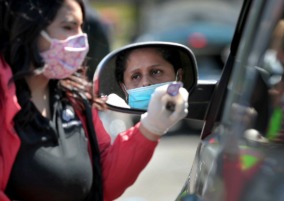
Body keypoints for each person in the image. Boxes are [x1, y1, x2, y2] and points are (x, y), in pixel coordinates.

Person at [0, 1, 189, 201]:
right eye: (68, 27)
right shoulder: (5, 103)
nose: (81, 39)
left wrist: (151, 127)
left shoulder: (76, 100)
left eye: (82, 27)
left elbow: (102, 182)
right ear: (28, 27)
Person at [114, 46, 184, 109]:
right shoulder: (123, 121)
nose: (146, 82)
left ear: (179, 77)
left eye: (156, 72)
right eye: (135, 76)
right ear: (124, 88)